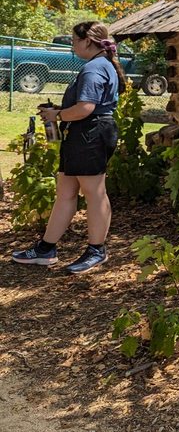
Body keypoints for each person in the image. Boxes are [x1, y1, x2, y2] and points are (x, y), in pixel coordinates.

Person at [12, 21, 126, 273]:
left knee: (94, 193)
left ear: (88, 41)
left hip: (91, 133)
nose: (72, 46)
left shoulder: (94, 69)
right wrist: (59, 114)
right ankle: (46, 249)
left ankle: (97, 250)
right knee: (65, 191)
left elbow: (86, 108)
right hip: (83, 134)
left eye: (75, 41)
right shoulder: (100, 65)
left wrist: (57, 116)